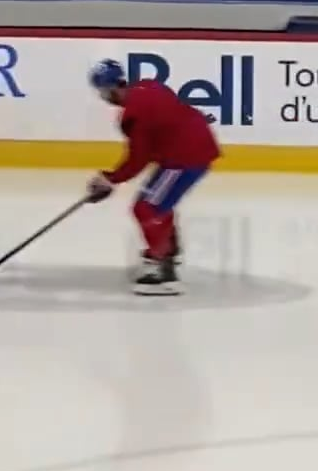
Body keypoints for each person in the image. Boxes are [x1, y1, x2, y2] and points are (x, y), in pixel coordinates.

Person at [86, 58, 220, 296]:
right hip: (188, 149)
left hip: (185, 157)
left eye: (101, 91)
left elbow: (139, 158)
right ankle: (168, 251)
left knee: (147, 208)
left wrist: (110, 179)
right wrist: (112, 178)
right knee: (157, 203)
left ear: (108, 89)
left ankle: (162, 271)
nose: (102, 97)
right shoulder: (148, 86)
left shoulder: (133, 115)